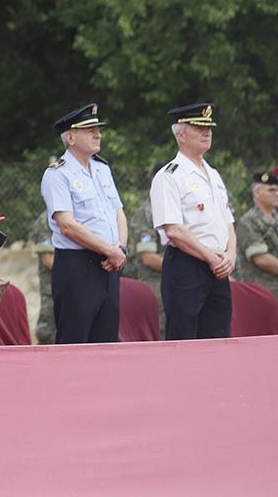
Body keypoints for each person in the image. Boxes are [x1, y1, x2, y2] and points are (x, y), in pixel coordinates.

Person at [40, 103, 127, 344]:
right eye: (90, 130)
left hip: (110, 265)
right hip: (78, 268)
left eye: (98, 130)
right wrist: (110, 250)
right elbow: (67, 225)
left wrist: (120, 248)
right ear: (70, 138)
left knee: (107, 342)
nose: (98, 135)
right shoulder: (58, 174)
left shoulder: (102, 169)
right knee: (75, 342)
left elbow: (118, 212)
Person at [150, 103, 235, 340]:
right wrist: (211, 257)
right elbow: (174, 230)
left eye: (209, 128)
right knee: (184, 338)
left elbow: (227, 221)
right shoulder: (169, 176)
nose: (207, 132)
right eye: (199, 128)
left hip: (218, 267)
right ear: (180, 135)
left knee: (218, 338)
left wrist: (230, 254)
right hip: (187, 266)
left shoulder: (213, 174)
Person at [127, 185, 167, 336]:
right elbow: (148, 258)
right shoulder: (148, 213)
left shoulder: (181, 207)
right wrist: (182, 268)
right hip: (156, 284)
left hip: (181, 283)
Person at [236, 169, 278, 303]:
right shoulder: (248, 222)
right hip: (262, 294)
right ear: (257, 193)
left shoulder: (275, 217)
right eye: (271, 190)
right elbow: (261, 259)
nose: (277, 193)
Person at [32, 210, 55, 345]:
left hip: (72, 287)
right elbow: (48, 260)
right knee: (48, 333)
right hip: (51, 288)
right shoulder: (45, 220)